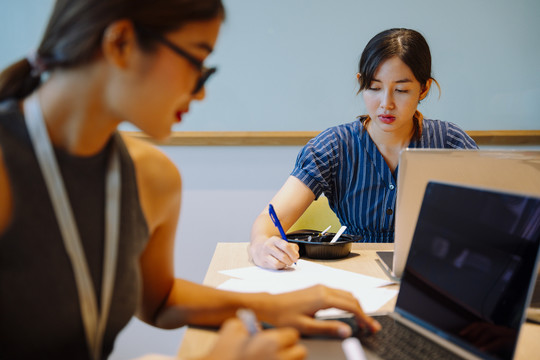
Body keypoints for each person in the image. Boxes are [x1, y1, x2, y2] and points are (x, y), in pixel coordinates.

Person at [0, 1, 380, 359]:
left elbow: (160, 301)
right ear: (120, 43)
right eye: (196, 61)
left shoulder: (151, 177)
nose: (200, 92)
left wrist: (274, 305)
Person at [249, 28, 479, 270]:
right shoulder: (334, 146)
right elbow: (270, 219)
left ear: (424, 89)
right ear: (361, 83)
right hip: (356, 279)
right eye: (374, 87)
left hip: (432, 276)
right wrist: (260, 244)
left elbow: (494, 222)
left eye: (401, 90)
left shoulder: (450, 144)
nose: (386, 103)